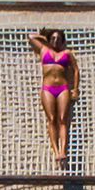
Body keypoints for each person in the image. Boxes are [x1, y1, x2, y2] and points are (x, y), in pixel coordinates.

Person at [29, 27, 78, 167]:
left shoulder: (67, 53)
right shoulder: (44, 50)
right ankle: (56, 152)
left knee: (63, 119)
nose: (55, 41)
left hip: (63, 88)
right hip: (48, 88)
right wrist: (44, 37)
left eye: (58, 39)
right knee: (51, 119)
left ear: (62, 41)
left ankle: (63, 151)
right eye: (53, 38)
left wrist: (76, 88)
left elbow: (75, 70)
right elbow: (31, 37)